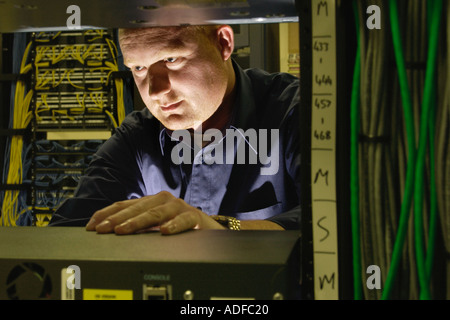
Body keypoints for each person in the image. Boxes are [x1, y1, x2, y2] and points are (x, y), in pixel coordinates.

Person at [49, 24, 301, 235]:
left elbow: (331, 226)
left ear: (223, 43)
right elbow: (68, 236)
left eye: (171, 59)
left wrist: (223, 231)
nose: (154, 90)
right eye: (138, 68)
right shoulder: (136, 138)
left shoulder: (294, 112)